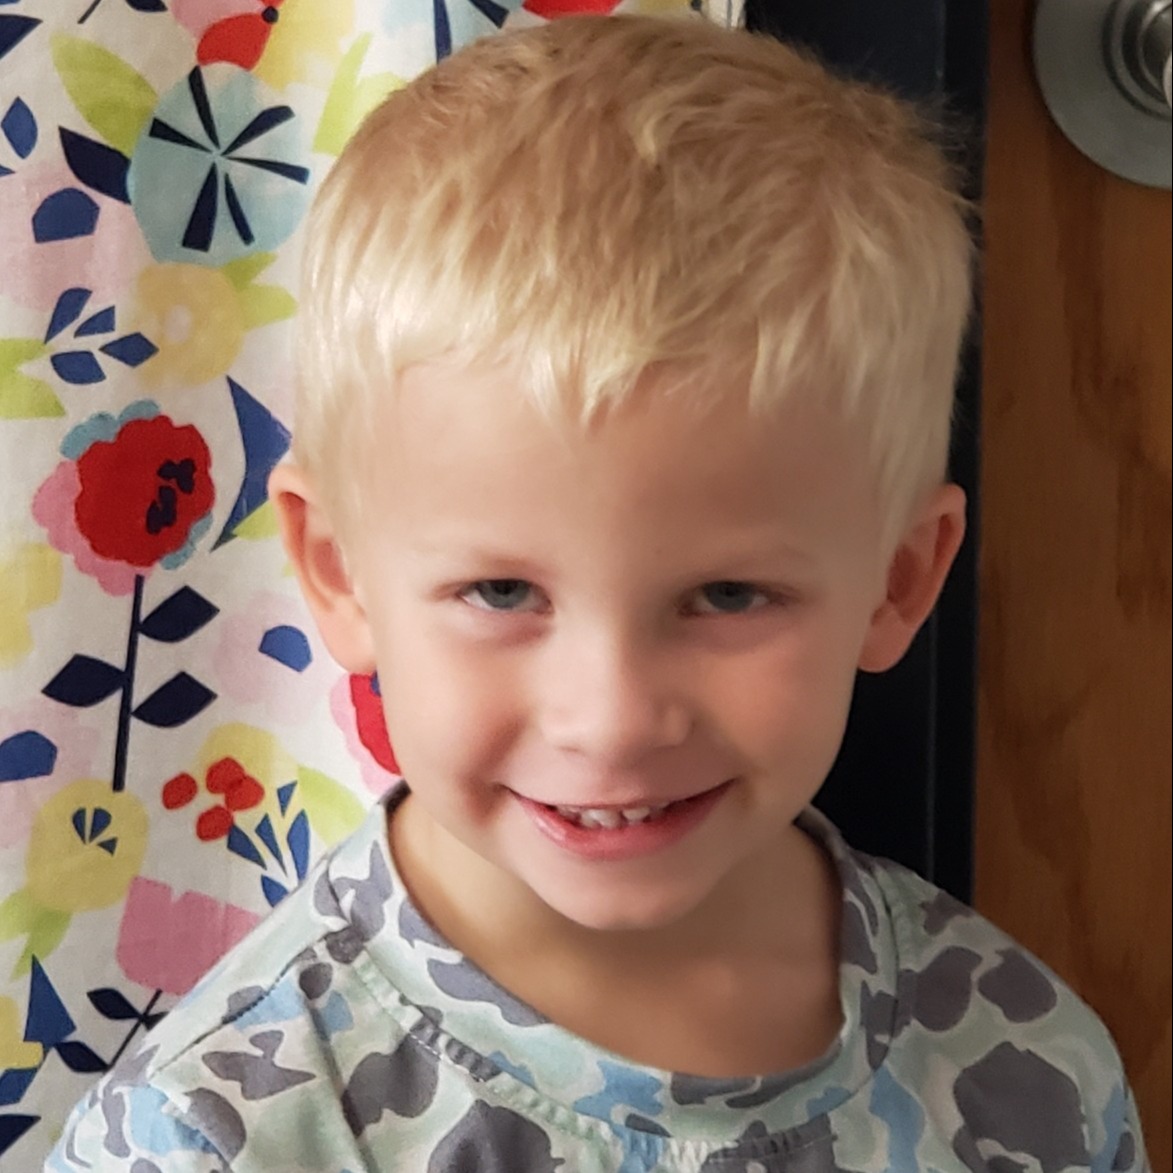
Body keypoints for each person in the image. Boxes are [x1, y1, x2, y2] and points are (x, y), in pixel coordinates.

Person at [48, 14, 1148, 1172]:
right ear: (341, 573)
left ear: (900, 579)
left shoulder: (1026, 1064)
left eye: (728, 596)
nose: (613, 716)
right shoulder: (223, 1132)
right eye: (499, 591)